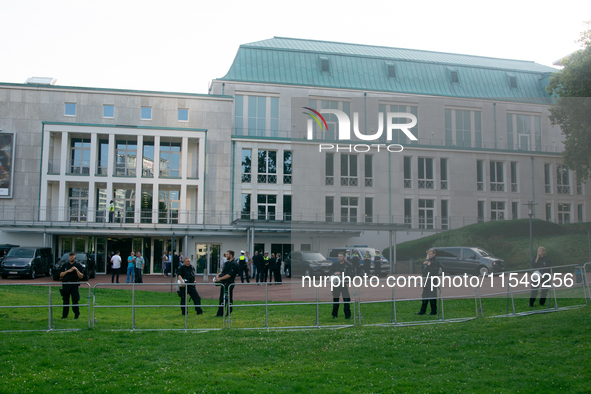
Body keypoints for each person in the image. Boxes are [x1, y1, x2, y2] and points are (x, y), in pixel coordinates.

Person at [59, 251, 84, 319]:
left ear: (75, 257)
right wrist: (68, 271)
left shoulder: (78, 265)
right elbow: (61, 274)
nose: (71, 258)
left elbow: (81, 276)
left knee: (75, 300)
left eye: (72, 256)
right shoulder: (65, 265)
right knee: (65, 300)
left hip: (74, 284)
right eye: (70, 256)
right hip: (66, 284)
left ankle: (76, 315)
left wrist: (76, 270)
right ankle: (64, 315)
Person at [416, 249, 441, 316]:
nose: (429, 255)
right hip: (426, 281)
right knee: (425, 296)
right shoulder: (427, 262)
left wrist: (429, 266)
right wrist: (423, 265)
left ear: (434, 254)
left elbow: (434, 272)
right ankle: (422, 311)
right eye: (428, 254)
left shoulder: (435, 262)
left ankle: (433, 311)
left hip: (432, 281)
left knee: (432, 296)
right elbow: (423, 271)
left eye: (430, 254)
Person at [329, 252, 353, 319]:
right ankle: (334, 315)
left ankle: (348, 316)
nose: (339, 257)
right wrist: (334, 273)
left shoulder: (348, 265)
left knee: (346, 299)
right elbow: (329, 272)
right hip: (336, 284)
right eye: (338, 256)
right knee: (336, 299)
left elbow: (351, 275)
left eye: (341, 256)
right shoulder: (335, 265)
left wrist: (348, 282)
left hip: (344, 284)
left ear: (344, 257)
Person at [215, 250, 238, 316]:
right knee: (222, 298)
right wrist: (218, 276)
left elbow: (229, 275)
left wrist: (220, 279)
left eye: (227, 254)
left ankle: (228, 313)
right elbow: (223, 272)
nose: (226, 255)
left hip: (229, 283)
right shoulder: (227, 263)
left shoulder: (234, 264)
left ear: (231, 255)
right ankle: (220, 313)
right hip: (224, 283)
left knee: (229, 298)